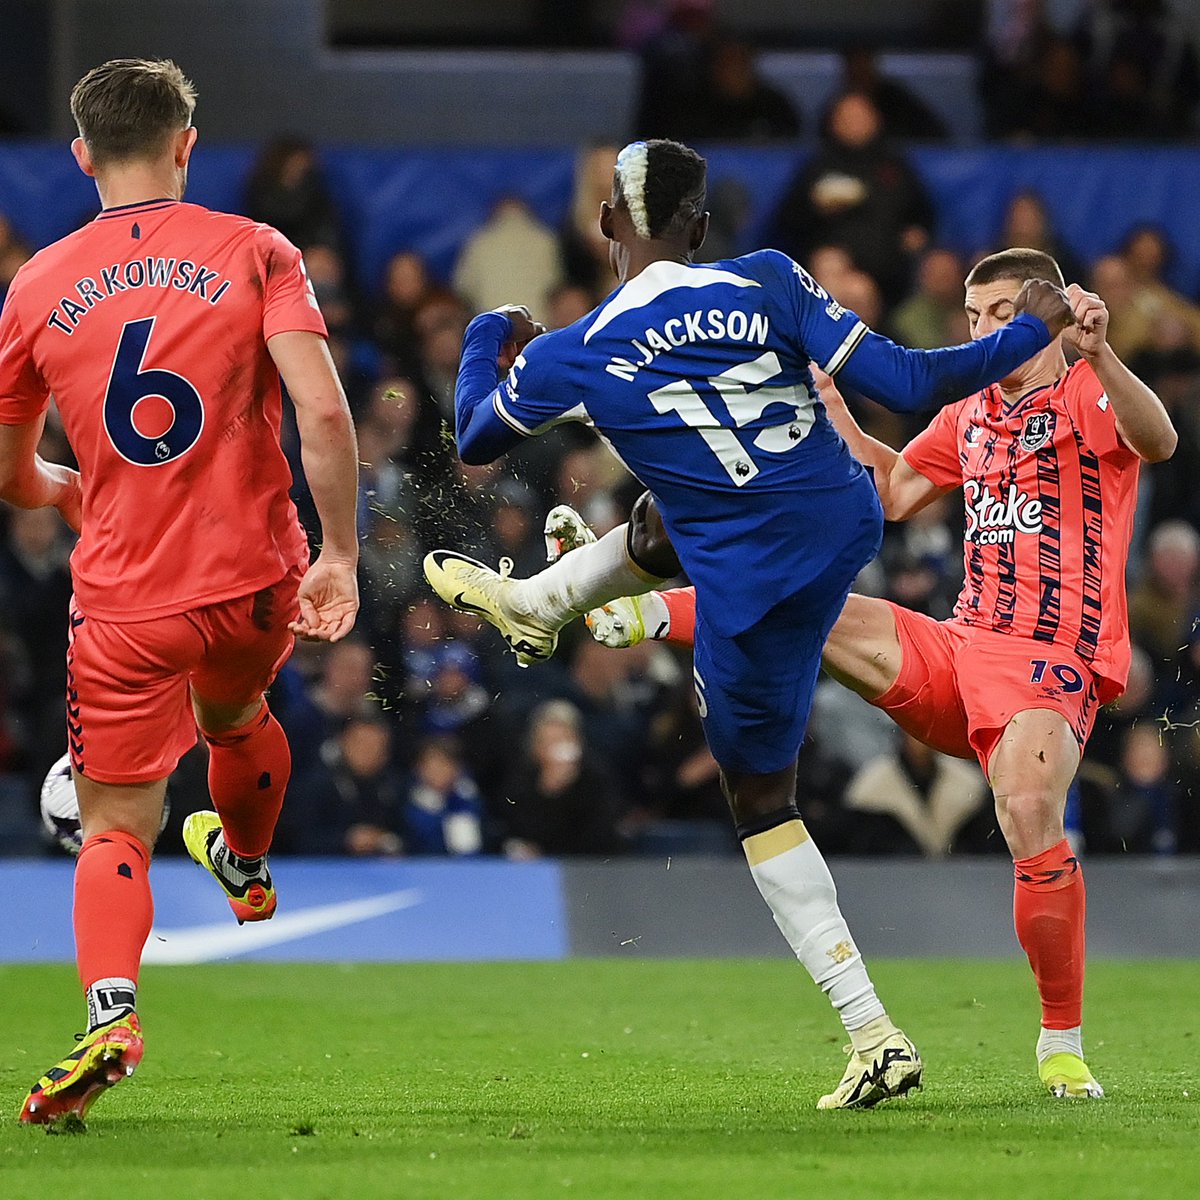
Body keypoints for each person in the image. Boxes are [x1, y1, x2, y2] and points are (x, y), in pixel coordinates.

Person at [422, 138, 1075, 1108]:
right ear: (701, 228)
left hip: (752, 585)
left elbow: (473, 434)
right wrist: (1037, 330)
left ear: (604, 226)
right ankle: (546, 599)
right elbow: (906, 382)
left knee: (759, 798)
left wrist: (487, 333)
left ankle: (873, 1035)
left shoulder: (579, 349)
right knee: (671, 505)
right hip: (841, 519)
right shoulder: (767, 279)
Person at [539, 249, 1176, 1099]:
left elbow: (1158, 439)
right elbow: (892, 490)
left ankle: (1061, 1044)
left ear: (1048, 312)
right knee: (813, 593)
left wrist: (1102, 353)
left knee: (1027, 807)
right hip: (960, 648)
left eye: (995, 312)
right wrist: (829, 405)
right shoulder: (972, 413)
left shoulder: (1089, 391)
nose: (980, 330)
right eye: (973, 314)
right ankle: (636, 614)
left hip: (1051, 661)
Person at [0, 59, 360, 1125]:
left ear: (81, 156)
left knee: (115, 820)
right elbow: (326, 414)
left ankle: (113, 1013)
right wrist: (338, 552)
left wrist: (57, 484)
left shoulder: (33, 286)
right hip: (255, 576)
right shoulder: (256, 250)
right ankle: (244, 858)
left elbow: (10, 472)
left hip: (124, 599)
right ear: (185, 145)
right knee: (238, 715)